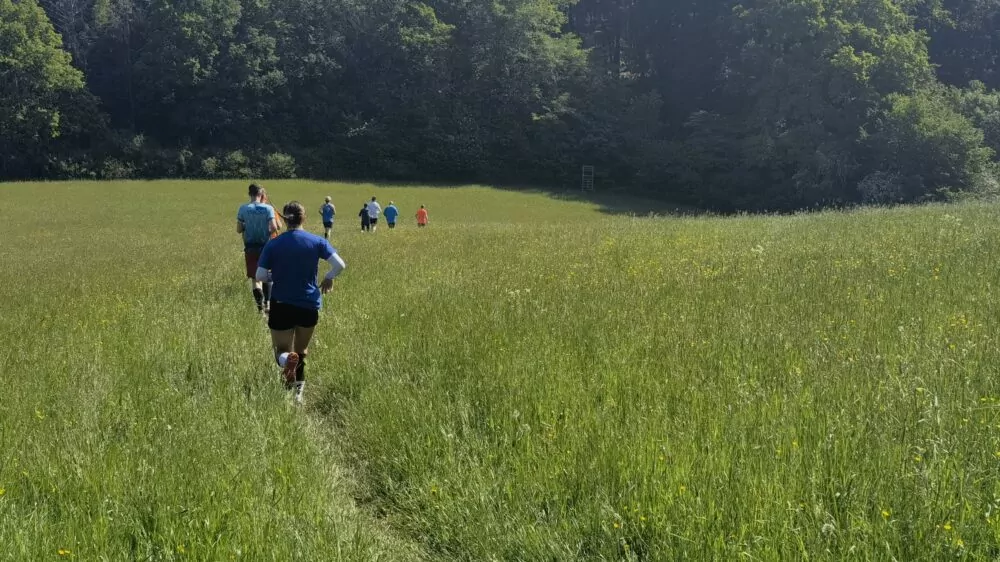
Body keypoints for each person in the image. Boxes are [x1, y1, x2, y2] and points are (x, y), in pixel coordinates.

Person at [255, 201, 345, 405]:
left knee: (282, 351)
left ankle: (287, 364)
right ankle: (298, 395)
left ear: (284, 220)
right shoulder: (316, 241)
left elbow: (260, 274)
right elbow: (339, 265)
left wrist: (276, 275)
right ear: (304, 218)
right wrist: (329, 276)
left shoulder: (274, 243)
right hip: (309, 305)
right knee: (301, 351)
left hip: (281, 304)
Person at [237, 183, 278, 313]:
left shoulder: (243, 209)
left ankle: (259, 306)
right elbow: (274, 228)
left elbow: (238, 229)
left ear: (249, 194)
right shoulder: (268, 209)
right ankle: (267, 303)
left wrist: (246, 227)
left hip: (250, 247)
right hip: (265, 246)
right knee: (267, 274)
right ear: (261, 194)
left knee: (255, 278)